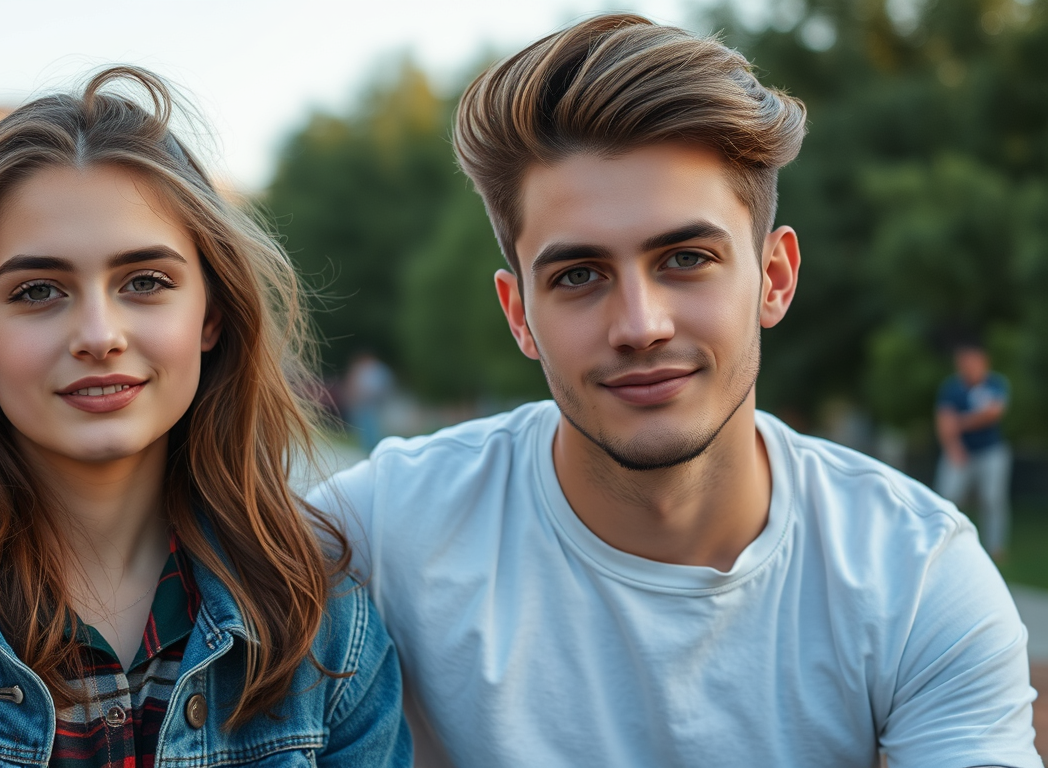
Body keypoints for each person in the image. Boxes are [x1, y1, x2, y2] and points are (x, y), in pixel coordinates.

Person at [308, 15, 1040, 768]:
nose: (640, 325)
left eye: (686, 258)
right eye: (579, 276)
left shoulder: (915, 575)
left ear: (775, 279)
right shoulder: (378, 531)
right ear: (520, 316)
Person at [0, 67, 409, 767]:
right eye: (38, 291)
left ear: (211, 314)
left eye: (145, 282)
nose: (98, 333)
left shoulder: (329, 626)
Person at [935, 340, 1013, 561]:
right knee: (948, 496)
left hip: (991, 451)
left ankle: (996, 548)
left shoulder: (996, 383)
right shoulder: (951, 388)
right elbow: (943, 424)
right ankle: (946, 544)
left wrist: (958, 423)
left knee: (993, 499)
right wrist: (954, 447)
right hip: (959, 451)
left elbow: (993, 414)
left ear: (983, 362)